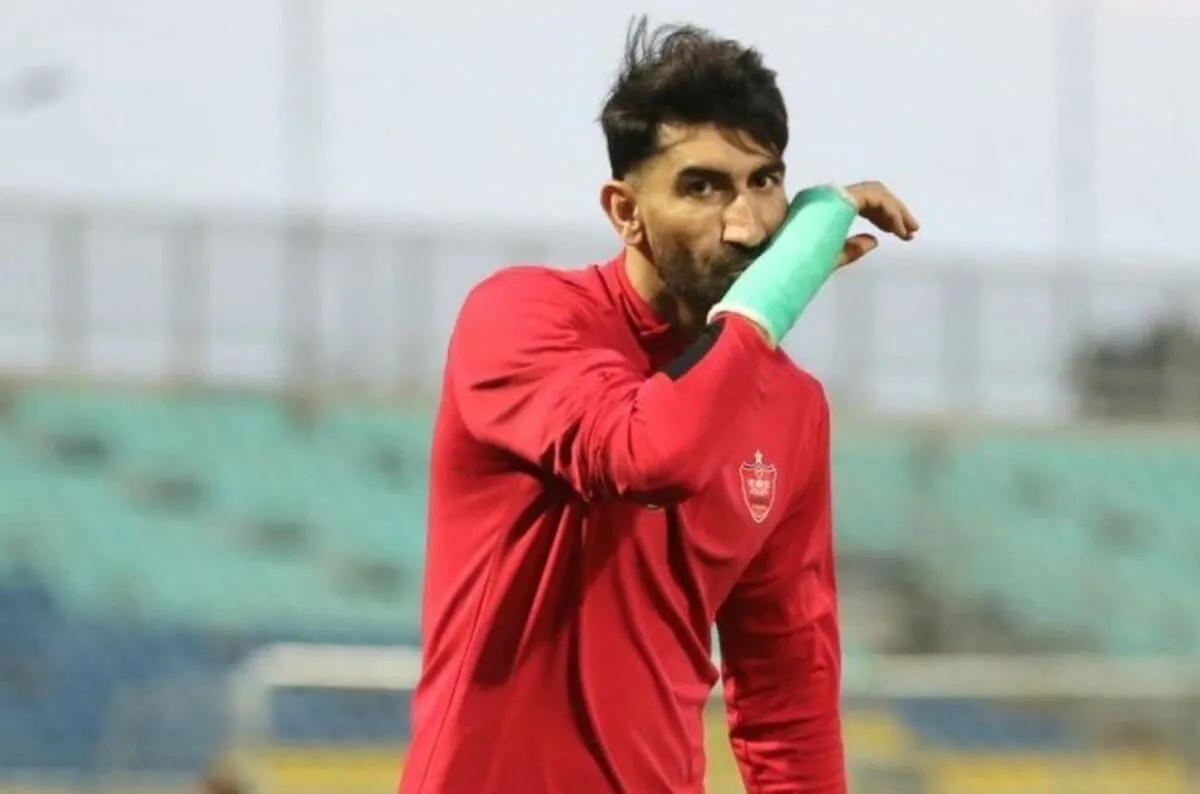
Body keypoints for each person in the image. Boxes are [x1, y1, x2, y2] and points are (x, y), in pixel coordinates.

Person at [398, 17, 918, 794]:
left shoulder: (793, 406)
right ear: (625, 211)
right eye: (701, 187)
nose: (746, 225)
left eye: (764, 182)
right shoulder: (519, 318)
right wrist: (773, 297)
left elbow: (788, 697)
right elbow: (652, 455)